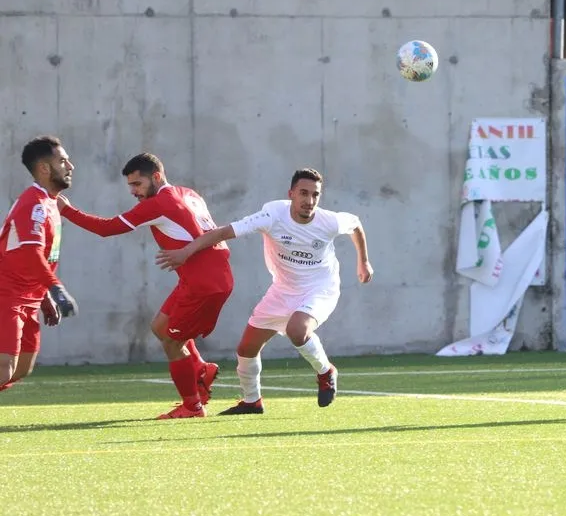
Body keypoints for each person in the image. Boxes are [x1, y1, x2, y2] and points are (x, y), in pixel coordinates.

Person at [155, 168, 373, 415]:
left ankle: (326, 372)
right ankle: (252, 401)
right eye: (303, 193)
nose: (309, 200)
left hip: (320, 289)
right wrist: (186, 252)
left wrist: (363, 262)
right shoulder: (272, 215)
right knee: (246, 349)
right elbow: (224, 232)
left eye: (315, 195)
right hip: (282, 290)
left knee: (297, 330)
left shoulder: (329, 221)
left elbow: (355, 224)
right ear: (291, 194)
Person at [57, 153, 233, 419]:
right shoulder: (188, 193)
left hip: (203, 284)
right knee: (160, 327)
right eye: (130, 185)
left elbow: (107, 228)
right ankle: (201, 370)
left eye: (137, 184)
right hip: (206, 276)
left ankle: (192, 407)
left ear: (157, 177)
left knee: (172, 343)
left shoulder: (158, 203)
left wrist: (67, 210)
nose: (133, 191)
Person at [0, 136, 79, 392]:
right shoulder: (33, 203)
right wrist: (57, 289)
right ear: (44, 168)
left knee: (23, 367)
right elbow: (31, 252)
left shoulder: (50, 202)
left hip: (30, 296)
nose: (70, 166)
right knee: (5, 367)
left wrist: (44, 297)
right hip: (7, 294)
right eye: (63, 161)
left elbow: (36, 257)